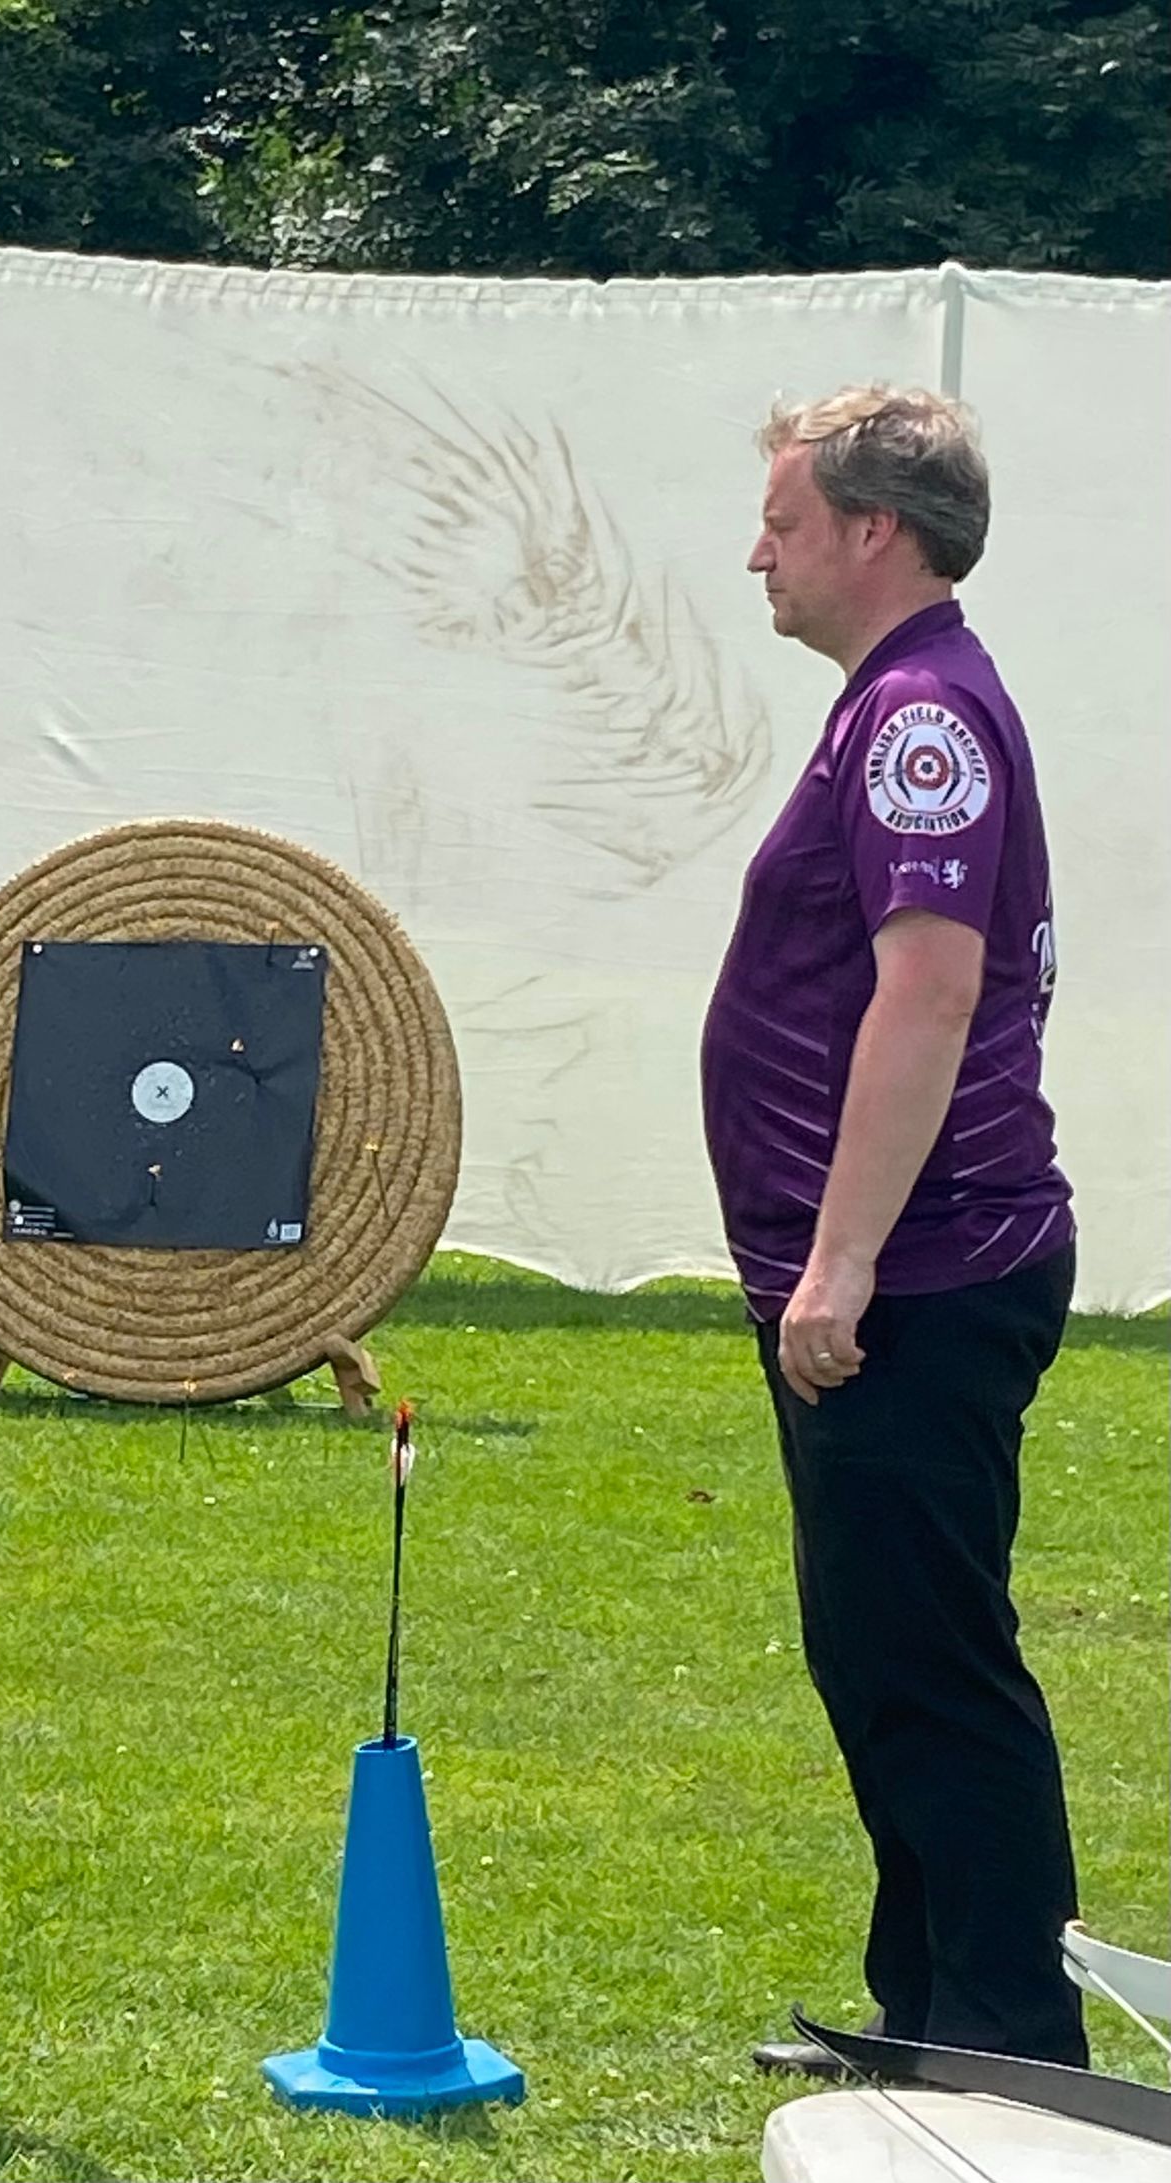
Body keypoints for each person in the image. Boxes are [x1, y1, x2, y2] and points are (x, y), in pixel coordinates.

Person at [701, 388, 1087, 2074]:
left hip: (922, 1275)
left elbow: (925, 998)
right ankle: (929, 2010)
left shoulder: (923, 717)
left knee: (931, 1659)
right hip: (897, 1273)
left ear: (874, 533)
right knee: (880, 1650)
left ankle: (1009, 2029)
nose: (761, 551)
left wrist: (843, 1259)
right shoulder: (892, 709)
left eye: (786, 522)